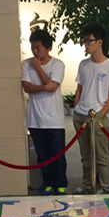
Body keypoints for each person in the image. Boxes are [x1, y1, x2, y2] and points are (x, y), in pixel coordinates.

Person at [72, 24, 109, 194]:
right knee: (85, 155)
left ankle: (105, 187)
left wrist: (101, 114)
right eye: (84, 41)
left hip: (98, 117)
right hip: (81, 115)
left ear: (99, 42)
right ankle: (87, 184)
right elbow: (79, 88)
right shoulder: (83, 65)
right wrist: (77, 107)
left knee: (101, 155)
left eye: (89, 41)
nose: (85, 44)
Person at [21, 29, 66, 196]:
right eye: (33, 47)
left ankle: (60, 185)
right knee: (43, 156)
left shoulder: (58, 65)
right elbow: (27, 87)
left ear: (48, 48)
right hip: (35, 119)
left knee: (57, 155)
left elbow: (53, 86)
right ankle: (48, 184)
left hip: (54, 119)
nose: (35, 51)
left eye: (38, 47)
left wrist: (38, 68)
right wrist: (45, 87)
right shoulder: (26, 64)